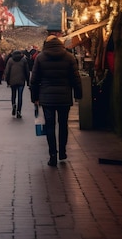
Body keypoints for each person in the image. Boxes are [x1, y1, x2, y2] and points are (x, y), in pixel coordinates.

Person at [30, 35, 83, 167]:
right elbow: (76, 78)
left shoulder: (40, 58)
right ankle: (63, 152)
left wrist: (34, 97)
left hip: (47, 98)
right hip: (64, 97)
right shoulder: (69, 57)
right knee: (63, 125)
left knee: (50, 126)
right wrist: (78, 94)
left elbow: (34, 80)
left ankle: (52, 155)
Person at [4, 50, 30, 118]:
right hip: (21, 81)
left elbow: (7, 71)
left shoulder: (10, 60)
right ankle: (19, 111)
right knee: (20, 96)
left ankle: (13, 105)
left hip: (12, 81)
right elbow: (27, 71)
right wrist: (28, 81)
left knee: (13, 94)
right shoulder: (23, 60)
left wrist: (7, 81)